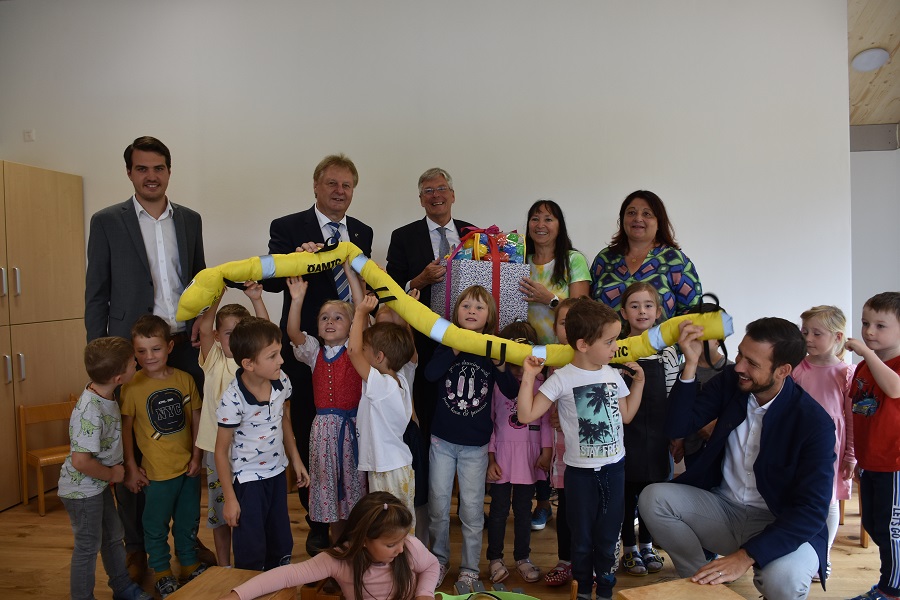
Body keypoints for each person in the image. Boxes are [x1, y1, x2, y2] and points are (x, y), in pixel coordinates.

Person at [639, 317, 835, 600]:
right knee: (653, 497)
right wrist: (690, 366)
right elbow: (676, 428)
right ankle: (704, 584)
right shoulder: (731, 382)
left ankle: (752, 573)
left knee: (784, 581)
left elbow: (812, 511)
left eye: (752, 363)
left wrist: (745, 557)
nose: (739, 366)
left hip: (777, 522)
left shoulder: (814, 422)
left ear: (783, 370)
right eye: (740, 354)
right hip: (723, 509)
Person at [85, 136, 207, 576]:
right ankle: (137, 546)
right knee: (131, 441)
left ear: (169, 171)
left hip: (183, 343)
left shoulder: (190, 219)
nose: (151, 176)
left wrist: (205, 320)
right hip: (131, 349)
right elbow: (96, 292)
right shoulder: (107, 222)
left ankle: (187, 542)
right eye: (142, 169)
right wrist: (100, 358)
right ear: (130, 173)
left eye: (158, 168)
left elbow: (200, 280)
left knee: (189, 434)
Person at [263, 154, 373, 554]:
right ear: (315, 185)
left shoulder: (362, 231)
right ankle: (316, 520)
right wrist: (300, 258)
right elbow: (273, 281)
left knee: (351, 441)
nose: (339, 191)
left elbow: (359, 281)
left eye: (346, 185)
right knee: (313, 433)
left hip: (352, 351)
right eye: (332, 183)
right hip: (306, 351)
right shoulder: (288, 227)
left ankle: (352, 517)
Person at [517, 298, 644, 600]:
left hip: (614, 471)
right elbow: (526, 415)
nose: (617, 347)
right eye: (610, 341)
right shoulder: (562, 377)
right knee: (582, 539)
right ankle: (584, 590)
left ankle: (606, 591)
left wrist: (638, 383)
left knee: (608, 535)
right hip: (580, 476)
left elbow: (626, 416)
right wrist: (528, 377)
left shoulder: (613, 374)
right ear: (584, 344)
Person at [386, 168, 474, 541]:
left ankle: (462, 501)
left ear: (453, 195)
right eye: (428, 191)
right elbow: (391, 289)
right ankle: (427, 502)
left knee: (463, 418)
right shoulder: (402, 237)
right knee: (425, 424)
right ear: (420, 199)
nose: (436, 195)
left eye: (442, 189)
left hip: (467, 344)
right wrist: (418, 282)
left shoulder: (476, 234)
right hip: (420, 347)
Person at [425, 285, 519, 589]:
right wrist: (453, 347)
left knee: (472, 509)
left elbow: (511, 391)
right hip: (441, 441)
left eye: (479, 308)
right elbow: (430, 375)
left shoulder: (491, 347)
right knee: (438, 505)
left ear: (489, 316)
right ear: (456, 312)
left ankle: (469, 568)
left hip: (475, 447)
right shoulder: (446, 343)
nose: (471, 312)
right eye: (466, 306)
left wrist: (501, 365)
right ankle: (438, 559)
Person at [58, 337, 151, 600]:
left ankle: (122, 587)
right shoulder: (90, 410)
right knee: (88, 547)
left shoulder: (105, 395)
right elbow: (81, 461)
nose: (138, 364)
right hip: (82, 491)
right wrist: (114, 474)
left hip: (95, 486)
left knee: (112, 537)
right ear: (120, 378)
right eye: (134, 363)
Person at [215, 317, 310, 571]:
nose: (281, 360)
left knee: (281, 542)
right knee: (251, 548)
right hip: (247, 483)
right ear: (249, 364)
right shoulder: (233, 399)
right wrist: (230, 499)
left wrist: (296, 460)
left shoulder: (282, 381)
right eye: (273, 356)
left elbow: (284, 420)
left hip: (277, 474)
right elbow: (220, 452)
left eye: (279, 353)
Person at [518, 199, 591, 531]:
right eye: (535, 218)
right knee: (535, 430)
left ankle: (568, 500)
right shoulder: (518, 259)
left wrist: (551, 299)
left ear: (560, 225)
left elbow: (582, 310)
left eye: (549, 218)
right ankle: (541, 501)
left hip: (564, 358)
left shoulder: (573, 260)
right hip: (527, 359)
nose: (541, 224)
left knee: (562, 428)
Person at [218, 491, 440, 600]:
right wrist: (237, 595)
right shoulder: (339, 560)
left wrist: (424, 594)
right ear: (363, 540)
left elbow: (431, 565)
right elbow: (287, 575)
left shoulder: (410, 547)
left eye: (402, 540)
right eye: (391, 544)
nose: (401, 548)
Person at [120, 315, 204, 598]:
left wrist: (197, 456)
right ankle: (162, 571)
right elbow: (126, 430)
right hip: (155, 474)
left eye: (155, 349)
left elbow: (195, 419)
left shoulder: (185, 379)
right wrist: (130, 467)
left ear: (169, 346)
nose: (149, 356)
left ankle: (189, 562)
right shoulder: (131, 387)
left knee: (188, 519)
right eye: (141, 351)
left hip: (187, 469)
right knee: (154, 525)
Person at [286, 265, 366, 543]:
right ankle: (336, 546)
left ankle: (354, 546)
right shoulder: (313, 352)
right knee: (329, 489)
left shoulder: (356, 349)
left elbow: (360, 313)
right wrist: (297, 300)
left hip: (352, 428)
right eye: (324, 318)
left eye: (338, 317)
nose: (330, 322)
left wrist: (351, 275)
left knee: (353, 489)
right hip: (322, 433)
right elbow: (294, 332)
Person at [195, 283, 269, 566]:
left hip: (250, 451)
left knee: (248, 510)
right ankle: (224, 566)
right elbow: (203, 329)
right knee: (220, 511)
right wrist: (216, 296)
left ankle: (249, 564)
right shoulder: (213, 359)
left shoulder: (252, 362)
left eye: (241, 334)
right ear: (217, 336)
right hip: (217, 451)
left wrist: (256, 298)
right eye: (228, 334)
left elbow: (265, 328)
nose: (235, 340)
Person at [616, 282, 679, 577]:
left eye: (648, 305)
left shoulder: (667, 353)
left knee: (654, 491)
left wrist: (674, 434)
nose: (642, 311)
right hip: (625, 433)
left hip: (658, 433)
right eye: (635, 305)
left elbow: (673, 394)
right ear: (624, 312)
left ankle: (648, 545)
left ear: (658, 312)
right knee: (627, 492)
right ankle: (628, 549)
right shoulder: (616, 349)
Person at [792, 305, 855, 582]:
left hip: (832, 445)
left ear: (837, 336)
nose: (808, 338)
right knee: (796, 495)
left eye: (817, 333)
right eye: (805, 332)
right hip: (797, 441)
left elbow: (851, 418)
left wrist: (851, 454)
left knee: (827, 499)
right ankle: (797, 551)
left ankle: (823, 556)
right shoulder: (796, 369)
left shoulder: (846, 373)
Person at [486, 321, 552, 585]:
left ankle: (522, 558)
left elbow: (546, 421)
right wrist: (491, 458)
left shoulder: (541, 382)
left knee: (524, 512)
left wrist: (546, 452)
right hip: (502, 457)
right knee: (499, 511)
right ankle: (495, 559)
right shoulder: (498, 384)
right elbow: (492, 422)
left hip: (529, 458)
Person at [845, 292, 900, 600]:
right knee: (874, 523)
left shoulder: (884, 363)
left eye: (881, 326)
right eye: (866, 323)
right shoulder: (865, 368)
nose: (869, 331)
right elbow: (857, 409)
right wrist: (855, 458)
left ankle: (891, 590)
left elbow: (894, 388)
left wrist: (867, 354)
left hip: (894, 462)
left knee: (892, 529)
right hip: (870, 461)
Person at [347, 294, 418, 524]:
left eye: (367, 350)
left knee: (390, 525)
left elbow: (353, 352)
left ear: (378, 357)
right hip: (397, 465)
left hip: (389, 468)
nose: (362, 352)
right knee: (400, 523)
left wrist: (360, 313)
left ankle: (399, 559)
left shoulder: (382, 385)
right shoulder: (400, 381)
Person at [590, 190, 701, 319]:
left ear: (659, 222)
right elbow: (588, 307)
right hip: (609, 339)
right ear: (622, 219)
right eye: (631, 213)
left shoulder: (676, 262)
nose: (638, 218)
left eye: (647, 214)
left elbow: (692, 314)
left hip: (660, 340)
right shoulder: (605, 258)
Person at [543, 297, 579, 588]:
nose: (570, 327)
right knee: (565, 509)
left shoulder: (596, 361)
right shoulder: (553, 361)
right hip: (564, 452)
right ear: (555, 328)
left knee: (588, 510)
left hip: (589, 453)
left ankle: (587, 561)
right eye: (565, 322)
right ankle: (566, 559)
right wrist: (555, 414)